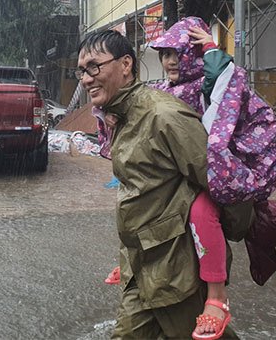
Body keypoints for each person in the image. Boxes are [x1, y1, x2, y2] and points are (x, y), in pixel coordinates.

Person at [78, 30, 252, 339]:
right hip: (140, 267)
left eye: (94, 67)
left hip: (176, 272)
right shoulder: (120, 116)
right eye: (81, 71)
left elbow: (221, 182)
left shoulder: (164, 115)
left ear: (126, 64)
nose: (86, 78)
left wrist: (236, 232)